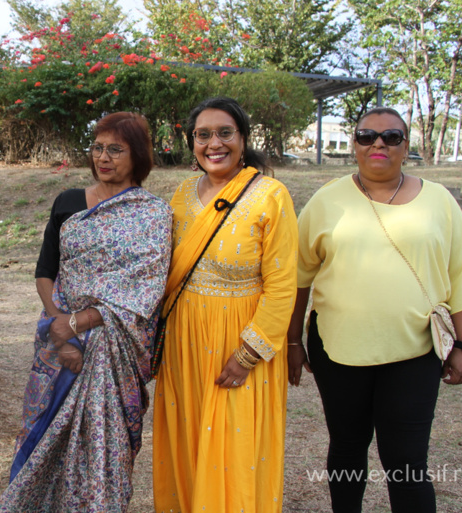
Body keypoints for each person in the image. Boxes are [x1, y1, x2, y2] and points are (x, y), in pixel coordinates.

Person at [287, 107, 462, 513]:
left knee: (406, 462)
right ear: (353, 145)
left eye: (391, 137)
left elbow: (461, 276)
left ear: (406, 147)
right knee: (347, 449)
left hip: (415, 351)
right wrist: (292, 340)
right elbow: (299, 277)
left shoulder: (440, 202)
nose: (378, 144)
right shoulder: (325, 201)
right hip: (338, 349)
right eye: (366, 136)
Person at [0, 112, 172, 512]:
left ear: (137, 155)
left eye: (115, 150)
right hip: (58, 343)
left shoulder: (153, 213)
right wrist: (61, 327)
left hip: (116, 345)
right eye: (97, 148)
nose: (103, 158)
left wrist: (80, 323)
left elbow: (145, 287)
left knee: (102, 446)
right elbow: (45, 271)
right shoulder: (68, 201)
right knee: (43, 435)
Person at [152, 97, 298, 513]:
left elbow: (283, 285)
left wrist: (249, 353)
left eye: (224, 133)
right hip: (184, 342)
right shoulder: (180, 195)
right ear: (191, 142)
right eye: (203, 135)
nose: (213, 143)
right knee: (187, 439)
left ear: (243, 138)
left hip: (241, 342)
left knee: (234, 450)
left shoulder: (271, 195)